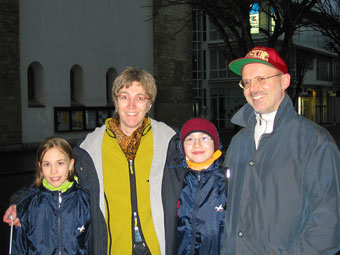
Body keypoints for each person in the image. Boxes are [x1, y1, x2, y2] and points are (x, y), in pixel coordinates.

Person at [3, 67, 176, 255]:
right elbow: (59, 178)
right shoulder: (92, 146)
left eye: (140, 98)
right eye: (124, 97)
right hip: (113, 249)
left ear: (149, 104)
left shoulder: (169, 141)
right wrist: (20, 202)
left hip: (159, 247)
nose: (131, 105)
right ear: (116, 101)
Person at [221, 46, 340, 254]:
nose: (252, 88)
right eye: (246, 82)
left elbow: (327, 226)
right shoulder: (239, 142)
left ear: (284, 81)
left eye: (261, 79)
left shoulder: (315, 143)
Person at [12, 136, 90, 254]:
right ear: (40, 167)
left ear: (70, 164)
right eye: (47, 164)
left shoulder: (85, 202)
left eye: (60, 163)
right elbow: (18, 248)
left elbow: (93, 244)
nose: (53, 171)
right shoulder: (28, 205)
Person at [162, 118, 227, 255]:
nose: (197, 144)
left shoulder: (228, 183)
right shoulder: (176, 183)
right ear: (182, 147)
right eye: (190, 139)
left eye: (204, 138)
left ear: (215, 143)